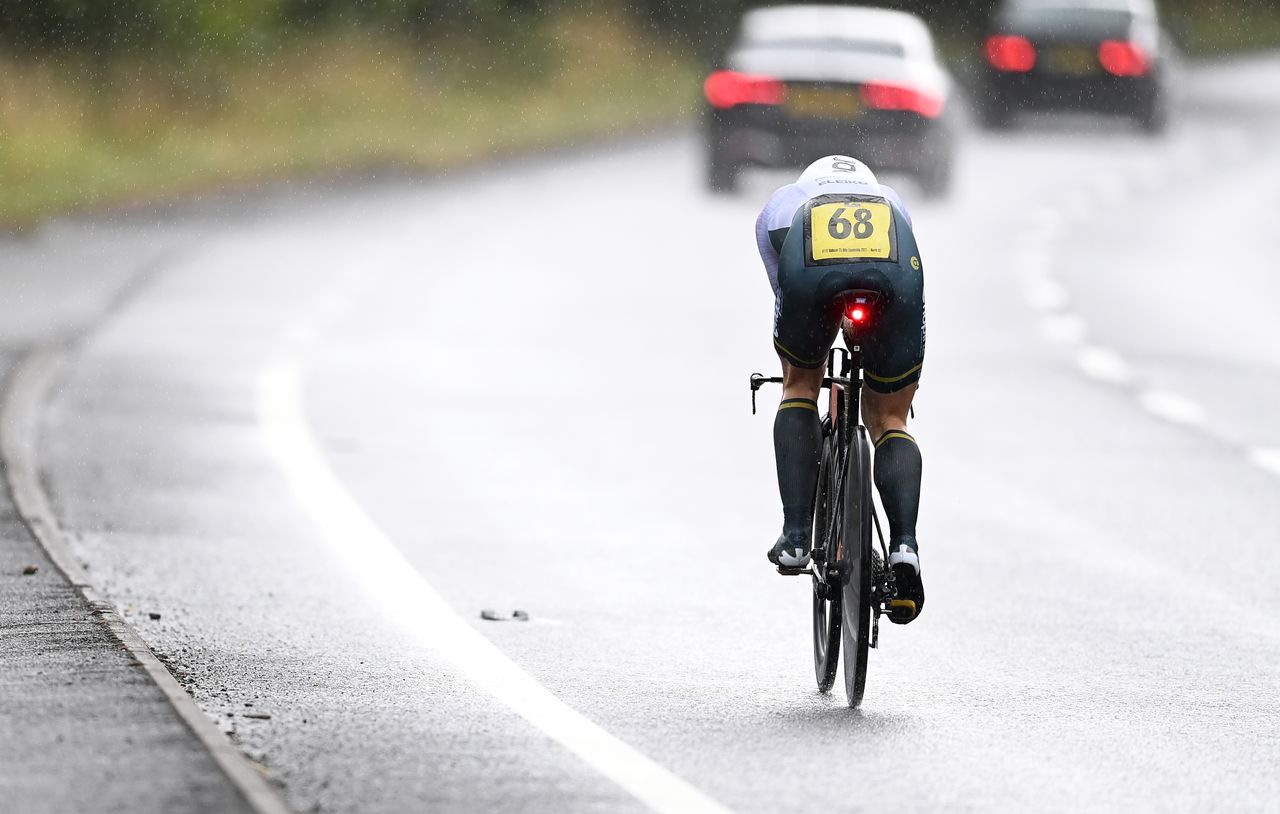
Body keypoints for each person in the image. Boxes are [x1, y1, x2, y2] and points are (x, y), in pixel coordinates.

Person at [755, 155, 926, 624]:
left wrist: (814, 344)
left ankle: (794, 536)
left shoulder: (782, 204)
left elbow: (784, 290)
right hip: (891, 276)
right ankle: (905, 545)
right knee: (891, 416)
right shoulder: (891, 200)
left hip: (811, 273)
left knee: (799, 382)